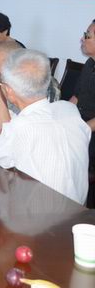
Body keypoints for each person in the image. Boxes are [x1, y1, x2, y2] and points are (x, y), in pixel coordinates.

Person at [0, 49, 90, 205]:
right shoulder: (69, 109)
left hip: (42, 216)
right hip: (79, 210)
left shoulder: (21, 127)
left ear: (8, 90)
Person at [70, 19, 95, 208]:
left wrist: (81, 130)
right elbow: (76, 97)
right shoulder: (90, 63)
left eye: (87, 36)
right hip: (82, 122)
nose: (82, 39)